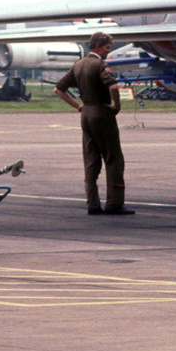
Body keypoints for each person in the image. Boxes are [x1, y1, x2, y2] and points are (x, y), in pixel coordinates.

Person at [55, 32, 132, 215]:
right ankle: (114, 203)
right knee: (113, 159)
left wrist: (78, 106)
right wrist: (116, 105)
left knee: (91, 161)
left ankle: (92, 204)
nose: (108, 51)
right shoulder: (100, 64)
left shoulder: (78, 65)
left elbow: (58, 89)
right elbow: (113, 86)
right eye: (107, 48)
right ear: (97, 47)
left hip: (86, 113)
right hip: (101, 113)